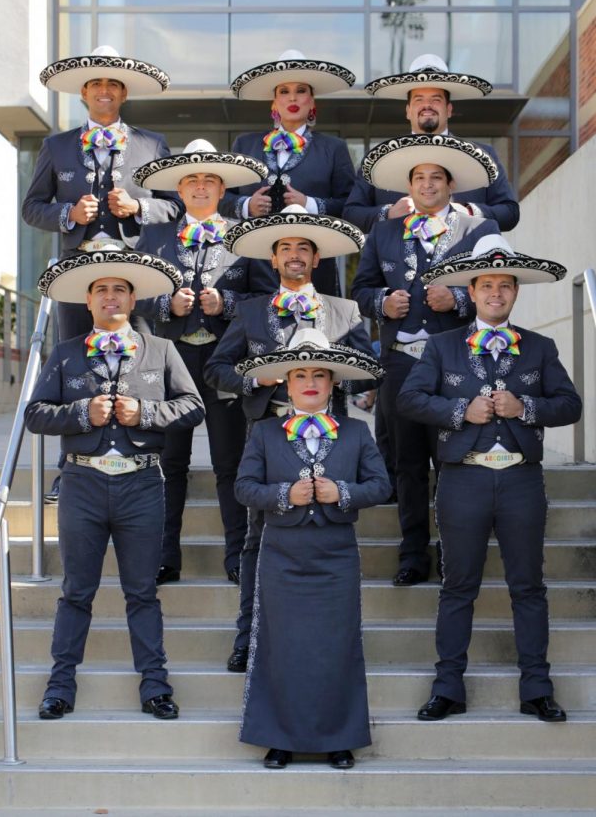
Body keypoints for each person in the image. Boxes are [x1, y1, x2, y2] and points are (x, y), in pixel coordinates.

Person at [397, 235, 582, 722]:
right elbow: (410, 400)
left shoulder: (540, 347)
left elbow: (570, 404)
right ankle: (448, 687)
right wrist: (461, 410)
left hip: (521, 480)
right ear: (472, 291)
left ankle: (537, 687)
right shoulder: (440, 347)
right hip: (464, 480)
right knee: (458, 585)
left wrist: (528, 407)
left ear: (515, 292)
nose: (496, 293)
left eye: (505, 285)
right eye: (486, 285)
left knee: (529, 586)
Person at [25, 249, 205, 720]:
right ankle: (60, 685)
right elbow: (34, 414)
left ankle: (155, 685)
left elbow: (192, 406)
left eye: (119, 289)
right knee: (76, 591)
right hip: (82, 482)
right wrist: (82, 413)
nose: (110, 297)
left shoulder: (162, 350)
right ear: (88, 301)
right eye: (101, 290)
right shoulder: (65, 353)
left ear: (132, 298)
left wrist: (144, 413)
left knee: (142, 591)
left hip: (142, 483)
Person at [204, 206, 374, 671]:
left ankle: (331, 641)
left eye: (303, 248)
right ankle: (248, 638)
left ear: (317, 258)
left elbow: (369, 372)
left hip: (329, 440)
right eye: (285, 249)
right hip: (266, 437)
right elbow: (216, 368)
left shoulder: (343, 311)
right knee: (257, 542)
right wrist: (254, 379)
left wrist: (338, 376)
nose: (295, 256)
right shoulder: (251, 310)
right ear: (274, 260)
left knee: (328, 536)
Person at [234, 329, 391, 769]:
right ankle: (279, 737)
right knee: (280, 646)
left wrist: (340, 492)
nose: (309, 381)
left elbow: (381, 486)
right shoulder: (264, 433)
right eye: (299, 374)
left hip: (336, 555)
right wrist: (285, 494)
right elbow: (244, 487)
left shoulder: (357, 433)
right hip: (282, 554)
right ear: (286, 382)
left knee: (336, 646)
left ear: (332, 382)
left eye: (318, 374)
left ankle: (339, 737)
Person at [351, 135, 501, 586]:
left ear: (451, 185)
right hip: (401, 361)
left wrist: (457, 298)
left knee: (454, 458)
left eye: (437, 178)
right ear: (410, 186)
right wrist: (381, 304)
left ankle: (454, 551)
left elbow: (495, 294)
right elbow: (360, 290)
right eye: (420, 178)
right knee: (408, 461)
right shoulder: (383, 231)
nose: (428, 185)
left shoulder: (476, 231)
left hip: (454, 361)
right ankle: (412, 553)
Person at [133, 140, 276, 584]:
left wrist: (227, 302)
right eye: (192, 180)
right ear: (179, 188)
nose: (200, 186)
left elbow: (264, 298)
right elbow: (135, 293)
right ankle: (164, 555)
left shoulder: (243, 236)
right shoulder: (154, 236)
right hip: (170, 363)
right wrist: (166, 305)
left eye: (209, 180)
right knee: (170, 462)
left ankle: (237, 554)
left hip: (222, 362)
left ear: (221, 187)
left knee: (228, 461)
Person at [22, 44, 181, 342]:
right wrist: (69, 213)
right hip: (75, 271)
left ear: (124, 93)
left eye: (112, 84)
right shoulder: (56, 147)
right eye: (96, 83)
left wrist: (137, 206)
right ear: (84, 92)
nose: (103, 90)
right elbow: (31, 208)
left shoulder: (152, 144)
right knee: (72, 354)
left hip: (134, 270)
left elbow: (174, 207)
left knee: (140, 353)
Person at [219, 49, 356, 295]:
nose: (293, 98)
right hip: (254, 266)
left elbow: (350, 206)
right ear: (274, 102)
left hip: (315, 268)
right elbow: (221, 199)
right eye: (284, 91)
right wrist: (247, 205)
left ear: (312, 101)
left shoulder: (333, 148)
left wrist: (310, 204)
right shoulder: (245, 144)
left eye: (301, 91)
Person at [343, 53, 519, 233]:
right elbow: (351, 213)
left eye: (436, 99)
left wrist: (469, 211)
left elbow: (510, 213)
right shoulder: (379, 158)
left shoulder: (482, 155)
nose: (427, 106)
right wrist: (388, 213)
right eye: (419, 99)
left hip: (462, 256)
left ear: (449, 109)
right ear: (408, 110)